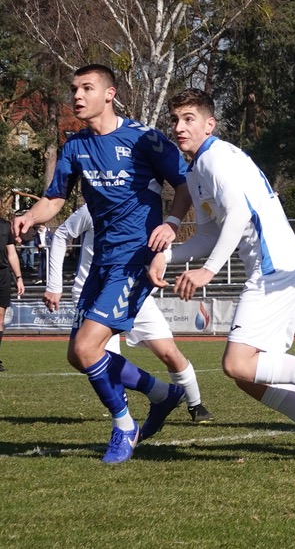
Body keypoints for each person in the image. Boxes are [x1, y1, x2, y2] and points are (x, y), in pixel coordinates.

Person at [148, 88, 295, 461]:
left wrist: (206, 271)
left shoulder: (216, 160)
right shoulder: (199, 168)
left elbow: (238, 216)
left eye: (188, 119)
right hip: (275, 269)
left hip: (275, 268)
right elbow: (207, 235)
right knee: (250, 378)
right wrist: (165, 256)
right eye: (174, 120)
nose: (179, 127)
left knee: (237, 364)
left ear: (209, 124)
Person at [13, 64, 192, 464]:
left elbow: (184, 185)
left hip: (135, 259)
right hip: (101, 262)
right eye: (74, 88)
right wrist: (31, 216)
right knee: (78, 356)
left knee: (87, 346)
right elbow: (55, 199)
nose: (77, 95)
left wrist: (172, 224)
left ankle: (124, 426)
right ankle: (164, 394)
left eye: (86, 88)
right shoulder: (74, 146)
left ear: (109, 94)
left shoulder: (144, 138)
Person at [44, 204, 214, 424]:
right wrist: (54, 285)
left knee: (169, 352)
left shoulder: (149, 210)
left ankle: (195, 405)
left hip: (134, 292)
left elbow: (156, 253)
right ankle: (129, 417)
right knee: (93, 359)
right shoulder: (96, 203)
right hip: (94, 294)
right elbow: (62, 233)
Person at [0, 216, 24, 371]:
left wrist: (19, 277)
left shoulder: (5, 225)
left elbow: (12, 253)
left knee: (0, 319)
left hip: (2, 275)